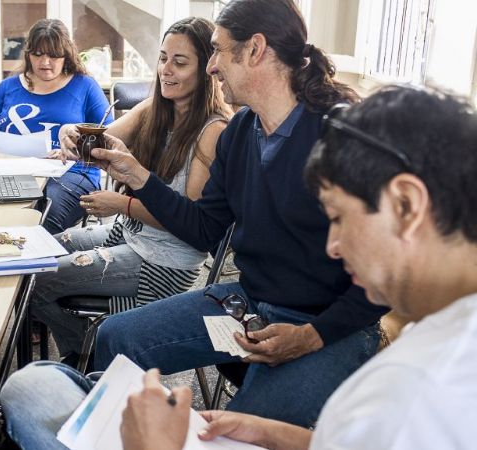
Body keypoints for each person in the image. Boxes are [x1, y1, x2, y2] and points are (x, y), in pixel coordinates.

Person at [3, 0, 387, 433]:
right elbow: (204, 229)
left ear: (255, 49)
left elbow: (392, 274)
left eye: (219, 51)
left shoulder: (340, 135)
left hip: (328, 325)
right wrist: (141, 178)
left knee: (233, 430)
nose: (212, 67)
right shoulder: (241, 134)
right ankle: (108, 434)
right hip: (251, 304)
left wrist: (312, 336)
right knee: (116, 336)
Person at [121, 85, 477, 450]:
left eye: (338, 218)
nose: (332, 246)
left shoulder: (426, 388)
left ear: (406, 205)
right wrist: (273, 435)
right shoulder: (444, 337)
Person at [29, 17, 233, 364]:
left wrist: (122, 204)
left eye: (180, 62)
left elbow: (189, 224)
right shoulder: (156, 108)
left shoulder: (212, 130)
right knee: (39, 254)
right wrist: (71, 134)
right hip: (132, 236)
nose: (166, 70)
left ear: (207, 70)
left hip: (165, 262)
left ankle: (89, 360)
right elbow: (98, 143)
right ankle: (86, 356)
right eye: (163, 58)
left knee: (38, 281)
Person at [0, 18, 112, 234]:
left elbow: (109, 137)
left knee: (45, 218)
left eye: (53, 55)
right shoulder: (8, 86)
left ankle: (36, 266)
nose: (45, 62)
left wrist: (75, 151)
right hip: (13, 170)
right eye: (37, 54)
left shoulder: (85, 86)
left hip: (71, 173)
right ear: (28, 54)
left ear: (66, 54)